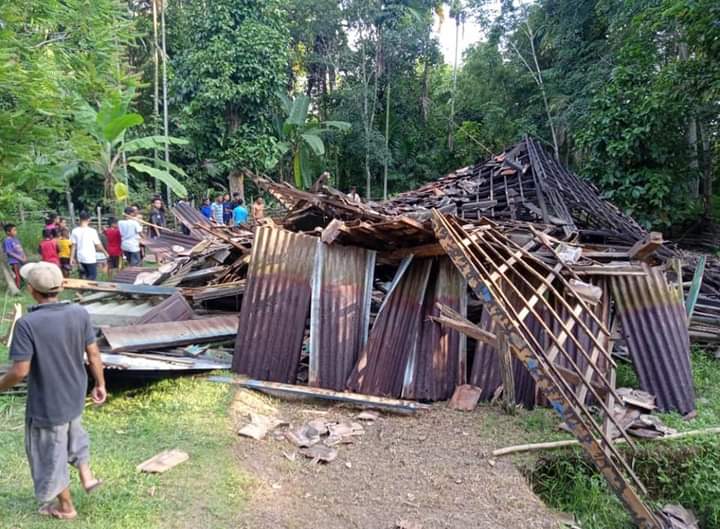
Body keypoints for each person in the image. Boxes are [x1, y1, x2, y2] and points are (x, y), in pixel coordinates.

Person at [0, 262, 106, 520]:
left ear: (32, 291)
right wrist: (100, 384)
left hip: (48, 401)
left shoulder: (28, 324)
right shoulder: (79, 313)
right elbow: (93, 353)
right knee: (73, 432)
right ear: (59, 287)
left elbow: (20, 371)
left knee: (50, 453)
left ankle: (66, 507)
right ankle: (86, 475)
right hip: (74, 392)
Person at [70, 211, 107, 281]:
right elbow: (98, 245)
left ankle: (83, 290)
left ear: (79, 219)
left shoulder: (75, 231)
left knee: (83, 275)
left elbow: (73, 246)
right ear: (89, 220)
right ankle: (81, 291)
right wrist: (105, 253)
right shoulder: (92, 231)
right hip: (90, 257)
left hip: (80, 257)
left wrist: (71, 258)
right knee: (92, 276)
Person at [3, 223, 26, 288]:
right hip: (14, 261)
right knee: (17, 275)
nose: (16, 232)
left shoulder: (16, 239)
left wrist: (24, 256)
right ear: (8, 232)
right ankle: (17, 289)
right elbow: (9, 252)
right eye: (14, 230)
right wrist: (20, 258)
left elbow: (21, 249)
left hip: (20, 260)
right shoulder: (7, 241)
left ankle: (22, 285)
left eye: (16, 230)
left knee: (21, 273)